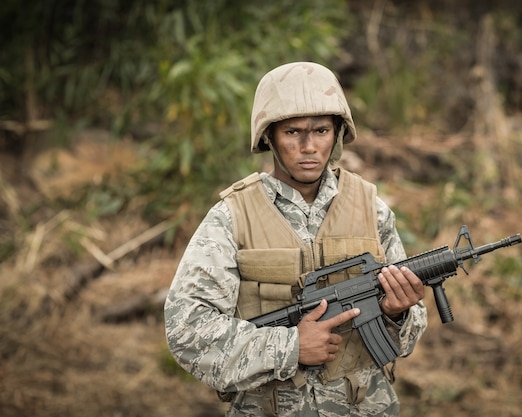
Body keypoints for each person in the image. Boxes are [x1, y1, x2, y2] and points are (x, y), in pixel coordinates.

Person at [164, 61, 428, 417]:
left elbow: (408, 336)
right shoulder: (232, 217)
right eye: (293, 133)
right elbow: (186, 330)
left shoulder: (371, 210)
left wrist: (398, 313)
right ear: (269, 136)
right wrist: (290, 347)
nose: (309, 147)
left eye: (321, 130)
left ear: (337, 134)